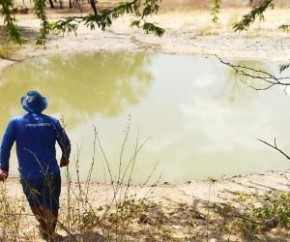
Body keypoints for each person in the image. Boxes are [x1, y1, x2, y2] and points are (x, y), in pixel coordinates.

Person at [0, 90, 71, 241]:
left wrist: (4, 168)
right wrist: (65, 157)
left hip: (28, 175)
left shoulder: (15, 122)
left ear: (25, 105)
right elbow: (66, 143)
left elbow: (4, 147)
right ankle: (50, 232)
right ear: (42, 105)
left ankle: (44, 228)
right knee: (52, 203)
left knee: (34, 202)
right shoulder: (52, 122)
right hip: (50, 172)